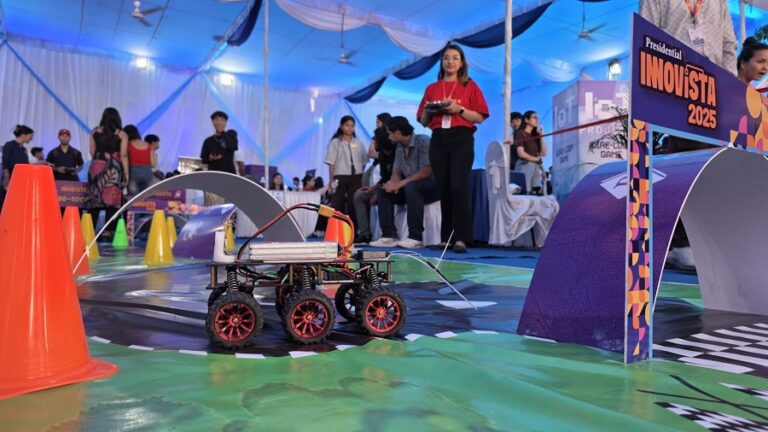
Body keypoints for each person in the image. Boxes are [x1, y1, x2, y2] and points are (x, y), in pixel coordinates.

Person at [417, 44, 489, 253]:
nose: (450, 61)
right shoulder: (432, 88)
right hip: (438, 138)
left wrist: (459, 109)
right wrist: (430, 110)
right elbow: (422, 120)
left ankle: (462, 238)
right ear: (441, 62)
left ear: (462, 62)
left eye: (455, 58)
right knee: (444, 188)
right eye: (446, 57)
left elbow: (480, 117)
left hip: (461, 138)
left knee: (458, 186)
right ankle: (446, 238)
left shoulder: (470, 86)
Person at [369, 116, 439, 249]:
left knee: (411, 187)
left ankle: (415, 237)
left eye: (389, 133)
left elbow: (427, 170)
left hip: (431, 186)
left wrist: (400, 184)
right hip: (410, 187)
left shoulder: (423, 141)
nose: (388, 137)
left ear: (398, 133)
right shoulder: (399, 147)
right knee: (383, 191)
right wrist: (392, 184)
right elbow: (396, 171)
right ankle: (389, 236)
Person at [639, 0, 737, 74]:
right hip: (673, 80)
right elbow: (646, 39)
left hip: (714, 83)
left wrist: (729, 84)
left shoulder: (719, 2)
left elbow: (728, 44)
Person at [353, 112, 394, 243]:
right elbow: (384, 178)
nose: (373, 146)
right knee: (359, 195)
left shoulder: (396, 153)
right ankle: (365, 232)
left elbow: (393, 178)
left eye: (375, 142)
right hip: (381, 184)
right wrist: (373, 188)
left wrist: (377, 192)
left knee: (382, 194)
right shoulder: (382, 155)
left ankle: (388, 234)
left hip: (393, 187)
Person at [87, 107, 129, 238]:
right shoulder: (122, 134)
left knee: (95, 200)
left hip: (96, 166)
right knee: (112, 200)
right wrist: (126, 173)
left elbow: (92, 152)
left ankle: (89, 230)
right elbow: (124, 155)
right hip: (113, 168)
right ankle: (108, 231)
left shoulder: (95, 131)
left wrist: (100, 160)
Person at [324, 116, 367, 220]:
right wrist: (331, 180)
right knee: (337, 203)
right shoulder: (335, 142)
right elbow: (331, 163)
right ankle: (335, 226)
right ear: (341, 126)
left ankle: (352, 227)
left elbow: (364, 160)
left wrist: (361, 172)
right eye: (347, 125)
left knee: (353, 203)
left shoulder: (358, 142)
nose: (349, 128)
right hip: (340, 175)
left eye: (352, 126)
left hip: (356, 176)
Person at [512, 111, 547, 195]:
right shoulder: (520, 133)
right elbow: (521, 153)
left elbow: (543, 153)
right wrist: (536, 159)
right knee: (525, 192)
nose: (537, 120)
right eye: (534, 117)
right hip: (525, 165)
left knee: (536, 193)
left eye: (537, 118)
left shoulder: (535, 136)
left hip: (536, 167)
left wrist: (541, 136)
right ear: (527, 120)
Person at [124, 125, 156, 195]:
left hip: (132, 173)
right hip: (147, 173)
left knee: (134, 199)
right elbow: (153, 164)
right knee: (147, 198)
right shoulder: (148, 145)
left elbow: (124, 158)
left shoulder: (127, 145)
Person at [2, 125, 34, 191]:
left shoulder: (23, 149)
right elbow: (5, 162)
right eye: (30, 136)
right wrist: (6, 177)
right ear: (23, 135)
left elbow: (26, 164)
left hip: (20, 178)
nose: (31, 138)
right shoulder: (9, 145)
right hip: (10, 177)